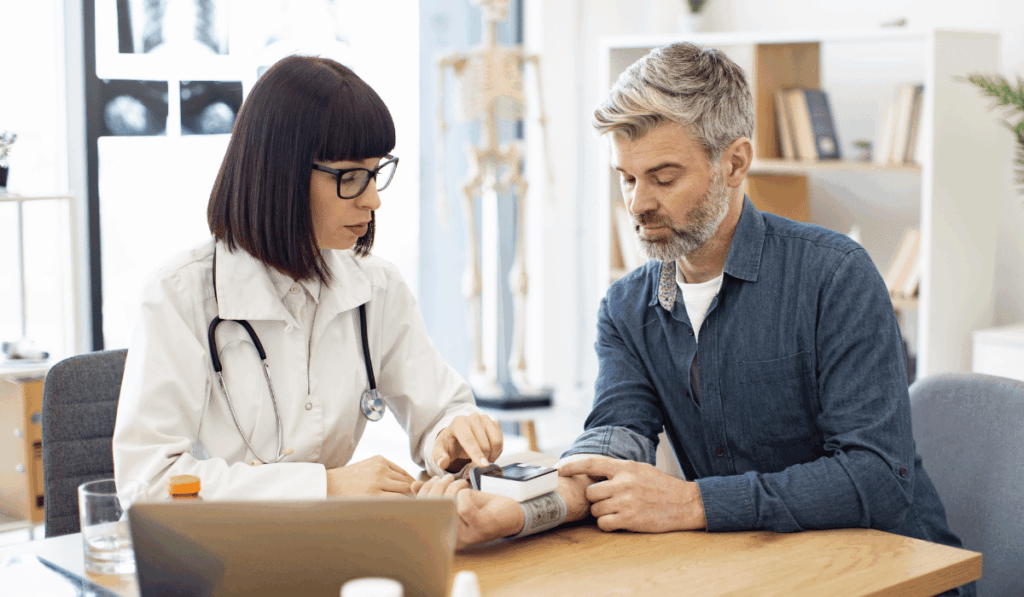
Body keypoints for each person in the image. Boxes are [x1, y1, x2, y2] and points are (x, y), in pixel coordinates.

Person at [414, 42, 972, 597]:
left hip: (897, 573)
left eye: (663, 177)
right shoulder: (626, 307)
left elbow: (874, 479)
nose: (635, 205)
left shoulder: (836, 277)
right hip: (762, 568)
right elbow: (616, 442)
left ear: (734, 162)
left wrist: (694, 501)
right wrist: (520, 510)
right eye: (626, 178)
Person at [113, 55, 503, 501]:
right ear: (284, 173)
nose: (373, 200)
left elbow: (439, 409)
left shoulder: (376, 288)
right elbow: (148, 483)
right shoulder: (180, 295)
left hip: (333, 547)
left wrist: (451, 438)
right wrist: (325, 486)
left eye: (375, 173)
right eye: (352, 176)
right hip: (219, 557)